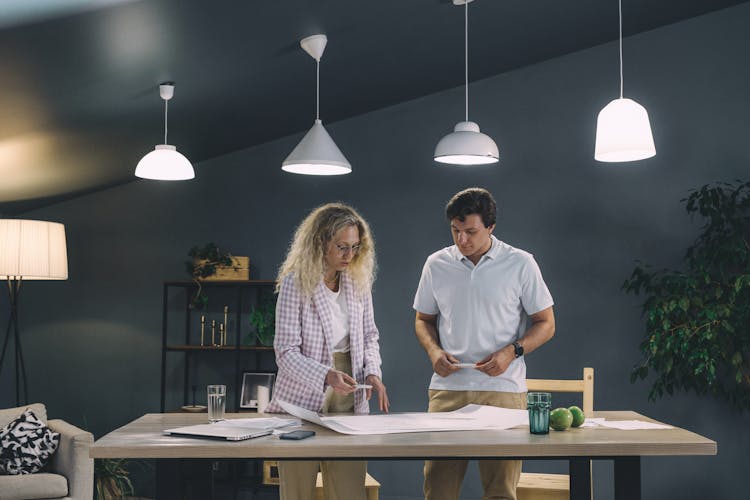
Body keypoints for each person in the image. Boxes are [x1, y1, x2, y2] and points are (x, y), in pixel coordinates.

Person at [413, 187, 555, 500]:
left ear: (490, 227)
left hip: (503, 389)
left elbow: (546, 324)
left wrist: (512, 352)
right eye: (456, 231)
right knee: (438, 490)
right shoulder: (436, 264)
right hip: (448, 390)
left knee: (501, 491)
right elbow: (423, 319)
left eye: (471, 232)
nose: (462, 240)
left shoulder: (521, 263)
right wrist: (434, 351)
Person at [266, 202, 389, 500]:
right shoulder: (296, 283)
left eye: (355, 247)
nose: (350, 255)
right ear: (320, 242)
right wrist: (326, 375)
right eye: (341, 247)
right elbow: (285, 352)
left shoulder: (357, 282)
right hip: (301, 399)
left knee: (349, 490)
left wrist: (373, 372)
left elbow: (370, 335)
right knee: (297, 491)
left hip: (350, 392)